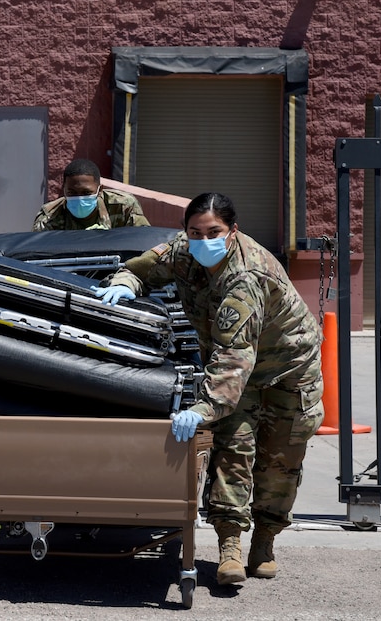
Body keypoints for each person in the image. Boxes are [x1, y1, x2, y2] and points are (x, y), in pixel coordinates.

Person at [94, 192, 323, 585]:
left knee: (280, 461)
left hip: (289, 370)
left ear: (232, 231)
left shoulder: (245, 277)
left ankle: (264, 542)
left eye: (213, 231)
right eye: (195, 231)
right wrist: (125, 282)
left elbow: (234, 357)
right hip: (237, 372)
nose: (203, 240)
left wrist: (204, 407)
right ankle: (229, 547)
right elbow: (143, 268)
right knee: (232, 448)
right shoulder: (185, 250)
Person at [32, 158, 149, 231]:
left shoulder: (124, 206)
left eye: (86, 192)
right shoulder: (48, 218)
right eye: (72, 193)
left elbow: (143, 242)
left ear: (100, 190)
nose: (79, 198)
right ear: (64, 190)